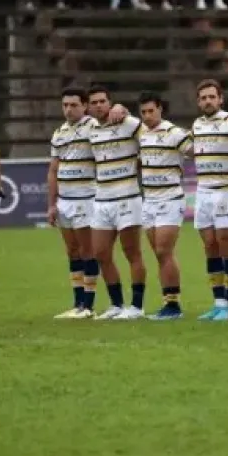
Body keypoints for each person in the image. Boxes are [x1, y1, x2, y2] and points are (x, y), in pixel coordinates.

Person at [87, 87, 148, 320]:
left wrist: (125, 109)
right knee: (101, 253)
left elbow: (151, 137)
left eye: (103, 101)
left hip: (127, 197)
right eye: (94, 102)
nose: (99, 105)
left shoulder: (129, 123)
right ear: (89, 107)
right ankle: (116, 305)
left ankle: (137, 306)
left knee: (132, 252)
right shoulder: (89, 128)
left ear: (110, 103)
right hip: (102, 199)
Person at [137, 92, 193, 320]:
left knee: (164, 250)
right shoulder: (140, 134)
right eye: (143, 112)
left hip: (170, 198)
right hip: (148, 199)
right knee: (159, 255)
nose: (148, 116)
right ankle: (168, 302)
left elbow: (194, 151)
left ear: (160, 109)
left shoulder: (174, 133)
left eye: (151, 111)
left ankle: (174, 306)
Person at [192, 79, 228, 320]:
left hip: (226, 190)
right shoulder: (197, 124)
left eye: (212, 96)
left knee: (226, 246)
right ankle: (218, 302)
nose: (208, 101)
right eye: (203, 98)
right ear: (198, 102)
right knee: (210, 246)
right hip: (203, 192)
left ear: (220, 99)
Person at [48, 87, 99, 320]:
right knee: (72, 252)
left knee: (88, 251)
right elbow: (53, 170)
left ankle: (88, 305)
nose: (68, 109)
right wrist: (52, 203)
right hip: (64, 201)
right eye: (65, 105)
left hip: (86, 198)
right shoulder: (59, 132)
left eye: (74, 105)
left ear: (85, 105)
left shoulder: (94, 127)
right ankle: (77, 303)